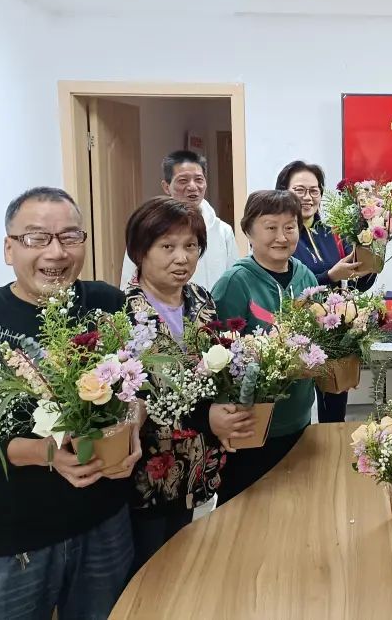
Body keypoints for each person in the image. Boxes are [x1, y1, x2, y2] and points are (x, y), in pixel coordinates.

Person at [0, 187, 141, 620]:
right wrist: (46, 454)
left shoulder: (108, 304)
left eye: (70, 236)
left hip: (105, 523)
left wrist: (132, 429)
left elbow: (138, 386)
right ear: (9, 248)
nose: (56, 252)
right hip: (13, 539)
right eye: (36, 238)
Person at [122, 196, 247, 572]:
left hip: (200, 469)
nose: (182, 258)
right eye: (167, 247)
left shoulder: (202, 300)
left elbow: (215, 372)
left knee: (192, 569)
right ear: (140, 251)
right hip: (148, 478)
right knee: (149, 575)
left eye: (191, 246)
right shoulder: (121, 312)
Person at [210, 190, 319, 504]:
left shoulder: (306, 277)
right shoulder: (235, 282)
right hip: (250, 428)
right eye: (271, 227)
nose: (281, 237)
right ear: (248, 230)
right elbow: (218, 357)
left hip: (299, 420)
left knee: (296, 509)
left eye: (290, 227)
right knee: (247, 514)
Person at [275, 160, 374, 423]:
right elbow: (287, 284)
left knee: (334, 410)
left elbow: (357, 283)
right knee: (297, 406)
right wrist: (330, 276)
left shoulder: (333, 233)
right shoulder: (279, 237)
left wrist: (371, 261)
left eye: (314, 190)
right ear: (283, 192)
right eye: (299, 190)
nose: (307, 197)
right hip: (298, 331)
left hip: (335, 331)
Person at [120, 150, 238, 291]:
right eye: (183, 180)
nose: (193, 187)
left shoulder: (223, 231)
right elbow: (129, 281)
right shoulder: (147, 228)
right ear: (166, 187)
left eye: (199, 180)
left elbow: (233, 282)